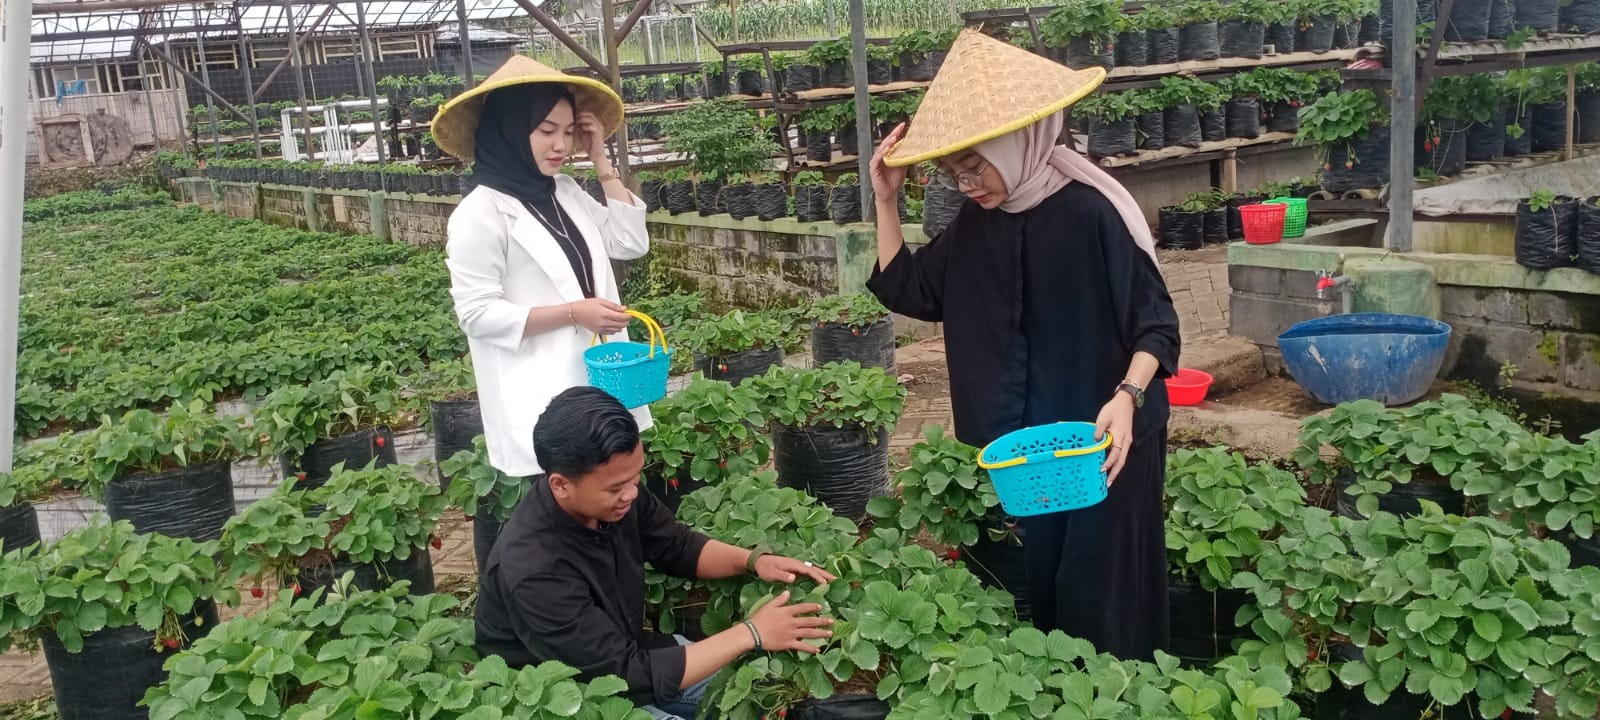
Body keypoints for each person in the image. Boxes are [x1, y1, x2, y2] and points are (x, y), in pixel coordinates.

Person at [866, 29, 1180, 661]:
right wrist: (886, 201)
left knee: (1104, 589)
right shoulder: (979, 224)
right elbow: (913, 290)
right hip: (1040, 449)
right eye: (955, 173)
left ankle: (1127, 697)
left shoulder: (1092, 214)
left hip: (1107, 439)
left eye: (976, 165)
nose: (968, 185)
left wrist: (1127, 397)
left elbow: (1157, 325)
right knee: (1049, 585)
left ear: (1017, 144)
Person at [475, 386, 837, 719]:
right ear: (560, 484)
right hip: (579, 698)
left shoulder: (612, 499)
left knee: (757, 697)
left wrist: (754, 560)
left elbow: (675, 544)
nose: (631, 494)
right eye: (617, 487)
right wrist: (751, 633)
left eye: (635, 478)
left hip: (629, 653)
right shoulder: (535, 571)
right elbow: (624, 675)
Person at [434, 56, 651, 478]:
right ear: (510, 130)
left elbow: (629, 242)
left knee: (610, 498)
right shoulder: (480, 214)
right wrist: (574, 313)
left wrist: (601, 162)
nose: (560, 146)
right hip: (540, 389)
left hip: (600, 379)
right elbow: (477, 314)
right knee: (564, 506)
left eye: (569, 132)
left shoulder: (564, 192)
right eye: (546, 130)